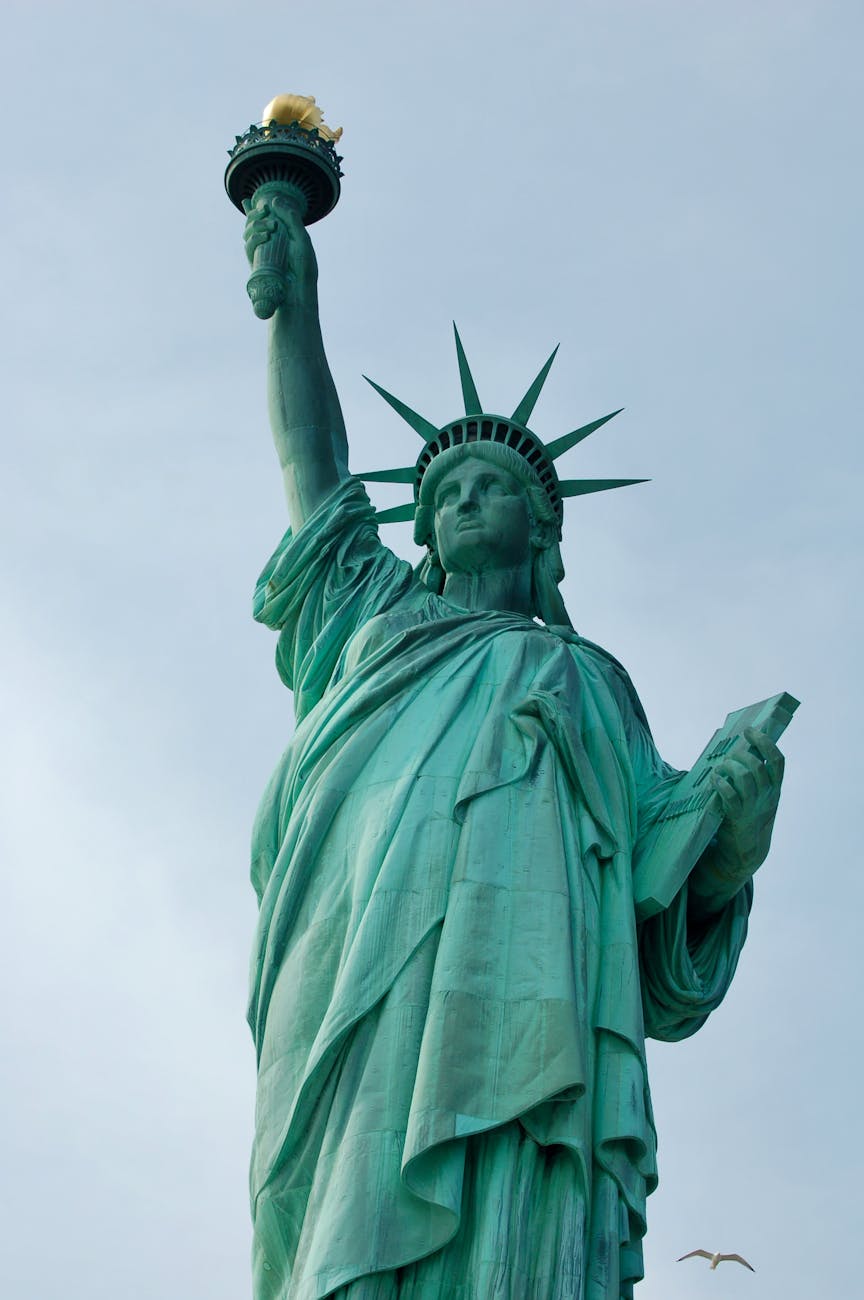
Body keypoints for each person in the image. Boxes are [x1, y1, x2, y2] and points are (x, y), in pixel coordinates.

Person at [241, 194, 785, 1300]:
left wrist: (735, 829)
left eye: (492, 489)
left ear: (544, 530)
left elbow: (659, 910)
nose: (464, 504)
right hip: (370, 970)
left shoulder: (589, 682)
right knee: (352, 1192)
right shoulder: (372, 621)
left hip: (535, 1011)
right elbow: (315, 470)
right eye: (444, 495)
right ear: (424, 532)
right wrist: (292, 306)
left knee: (520, 1234)